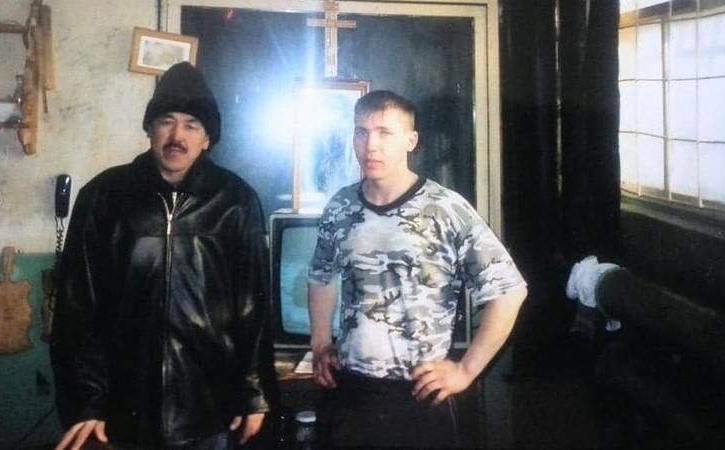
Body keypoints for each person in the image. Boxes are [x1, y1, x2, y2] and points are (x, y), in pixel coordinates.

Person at [50, 62, 278, 450]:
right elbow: (77, 307)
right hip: (122, 413)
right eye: (166, 122)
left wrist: (255, 393)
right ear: (150, 130)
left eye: (191, 125)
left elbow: (252, 308)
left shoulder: (236, 201)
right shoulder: (104, 197)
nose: (177, 136)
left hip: (209, 410)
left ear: (207, 138)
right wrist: (86, 401)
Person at [307, 90, 528, 448]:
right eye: (361, 132)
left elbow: (510, 291)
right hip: (351, 394)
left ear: (410, 141)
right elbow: (321, 276)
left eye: (384, 132)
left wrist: (467, 369)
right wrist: (320, 342)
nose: (370, 145)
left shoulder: (445, 209)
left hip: (419, 396)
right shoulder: (340, 206)